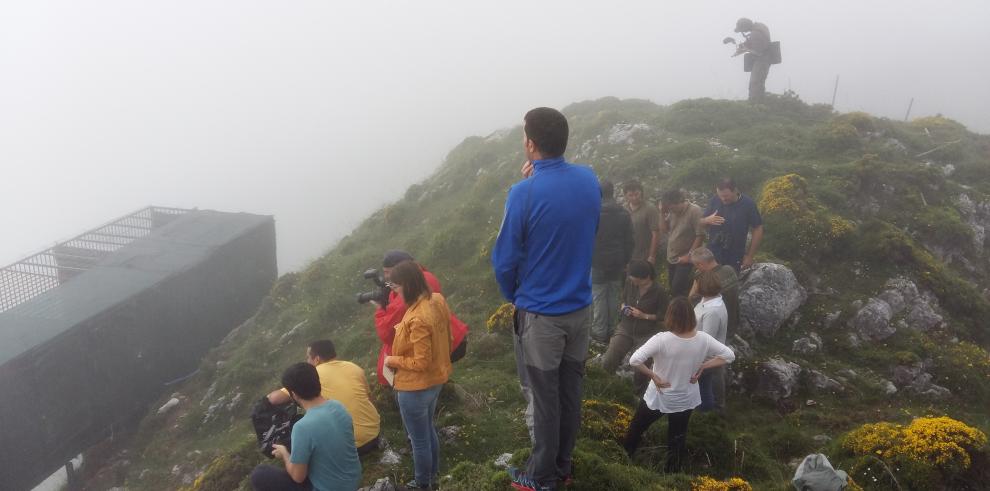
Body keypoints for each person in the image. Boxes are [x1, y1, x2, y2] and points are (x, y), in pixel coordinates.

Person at [492, 107, 600, 491]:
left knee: (544, 400)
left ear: (530, 144)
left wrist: (516, 297)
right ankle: (563, 466)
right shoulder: (589, 180)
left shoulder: (523, 193)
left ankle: (540, 478)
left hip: (541, 316)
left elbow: (504, 260)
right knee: (570, 392)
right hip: (581, 309)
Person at [622, 297, 735, 472]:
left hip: (660, 395)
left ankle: (623, 460)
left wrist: (653, 375)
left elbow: (635, 360)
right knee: (677, 438)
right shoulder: (703, 339)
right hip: (685, 398)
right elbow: (729, 355)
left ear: (670, 317)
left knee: (637, 428)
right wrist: (703, 366)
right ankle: (672, 475)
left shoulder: (661, 339)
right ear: (692, 316)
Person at [382, 261, 453, 490]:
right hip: (436, 380)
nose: (394, 291)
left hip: (415, 388)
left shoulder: (417, 317)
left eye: (396, 287)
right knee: (428, 429)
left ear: (408, 285)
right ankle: (433, 474)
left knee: (419, 439)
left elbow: (420, 362)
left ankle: (423, 483)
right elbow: (446, 336)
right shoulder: (437, 300)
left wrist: (392, 360)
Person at [250, 363, 362, 491]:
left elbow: (298, 477)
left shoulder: (302, 428)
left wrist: (284, 454)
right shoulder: (338, 406)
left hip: (329, 488)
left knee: (259, 474)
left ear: (294, 394)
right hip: (352, 480)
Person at [266, 340, 381, 455]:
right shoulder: (353, 367)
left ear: (316, 359)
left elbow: (274, 398)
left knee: (303, 422)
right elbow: (370, 399)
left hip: (349, 447)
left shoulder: (312, 375)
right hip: (374, 434)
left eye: (308, 358)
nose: (307, 361)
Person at [371, 250, 468, 386]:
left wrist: (380, 309)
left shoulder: (409, 291)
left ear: (403, 269)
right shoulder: (424, 277)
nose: (386, 277)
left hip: (439, 347)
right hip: (449, 337)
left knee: (402, 370)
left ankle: (434, 393)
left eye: (388, 272)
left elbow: (387, 332)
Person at [602, 260, 667, 397]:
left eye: (634, 278)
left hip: (647, 333)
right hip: (626, 327)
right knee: (609, 359)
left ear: (645, 277)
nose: (631, 280)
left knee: (640, 369)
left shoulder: (659, 291)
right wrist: (623, 307)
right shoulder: (629, 283)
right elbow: (624, 299)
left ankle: (637, 395)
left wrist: (644, 316)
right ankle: (604, 386)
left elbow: (663, 316)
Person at [591, 179, 634, 343]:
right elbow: (630, 240)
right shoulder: (623, 213)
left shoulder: (593, 212)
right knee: (614, 294)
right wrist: (626, 260)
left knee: (599, 296)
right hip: (617, 261)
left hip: (597, 261)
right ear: (613, 192)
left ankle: (599, 332)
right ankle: (613, 330)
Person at [701, 178, 764, 272]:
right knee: (708, 282)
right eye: (720, 195)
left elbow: (758, 228)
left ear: (735, 191)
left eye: (726, 196)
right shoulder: (715, 200)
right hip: (713, 252)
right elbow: (699, 222)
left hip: (734, 255)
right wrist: (707, 220)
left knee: (728, 284)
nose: (723, 199)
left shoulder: (748, 204)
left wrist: (750, 256)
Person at [692, 271, 728, 412]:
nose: (693, 285)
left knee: (704, 389)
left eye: (695, 283)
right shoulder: (707, 300)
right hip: (700, 354)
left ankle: (705, 414)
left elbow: (706, 340)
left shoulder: (713, 311)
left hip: (705, 359)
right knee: (703, 387)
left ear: (702, 285)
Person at [659, 189, 705, 297]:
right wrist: (661, 213)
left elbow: (700, 235)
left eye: (672, 208)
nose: (671, 211)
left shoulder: (694, 211)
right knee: (672, 288)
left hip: (686, 259)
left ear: (679, 201)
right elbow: (664, 230)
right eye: (668, 208)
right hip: (672, 257)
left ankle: (685, 311)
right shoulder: (672, 212)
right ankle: (678, 311)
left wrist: (689, 256)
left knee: (678, 289)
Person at [734, 17, 773, 102]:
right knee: (759, 83)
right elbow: (758, 42)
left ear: (745, 27)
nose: (743, 32)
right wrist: (746, 45)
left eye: (742, 30)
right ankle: (760, 103)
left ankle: (755, 104)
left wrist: (744, 49)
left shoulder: (755, 33)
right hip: (766, 59)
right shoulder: (760, 26)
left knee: (755, 83)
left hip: (762, 60)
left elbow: (758, 51)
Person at [623, 180, 661, 266]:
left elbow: (656, 234)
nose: (634, 197)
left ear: (641, 193)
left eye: (636, 194)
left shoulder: (650, 209)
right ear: (625, 196)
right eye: (630, 195)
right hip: (628, 255)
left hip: (645, 256)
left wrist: (652, 256)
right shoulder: (624, 209)